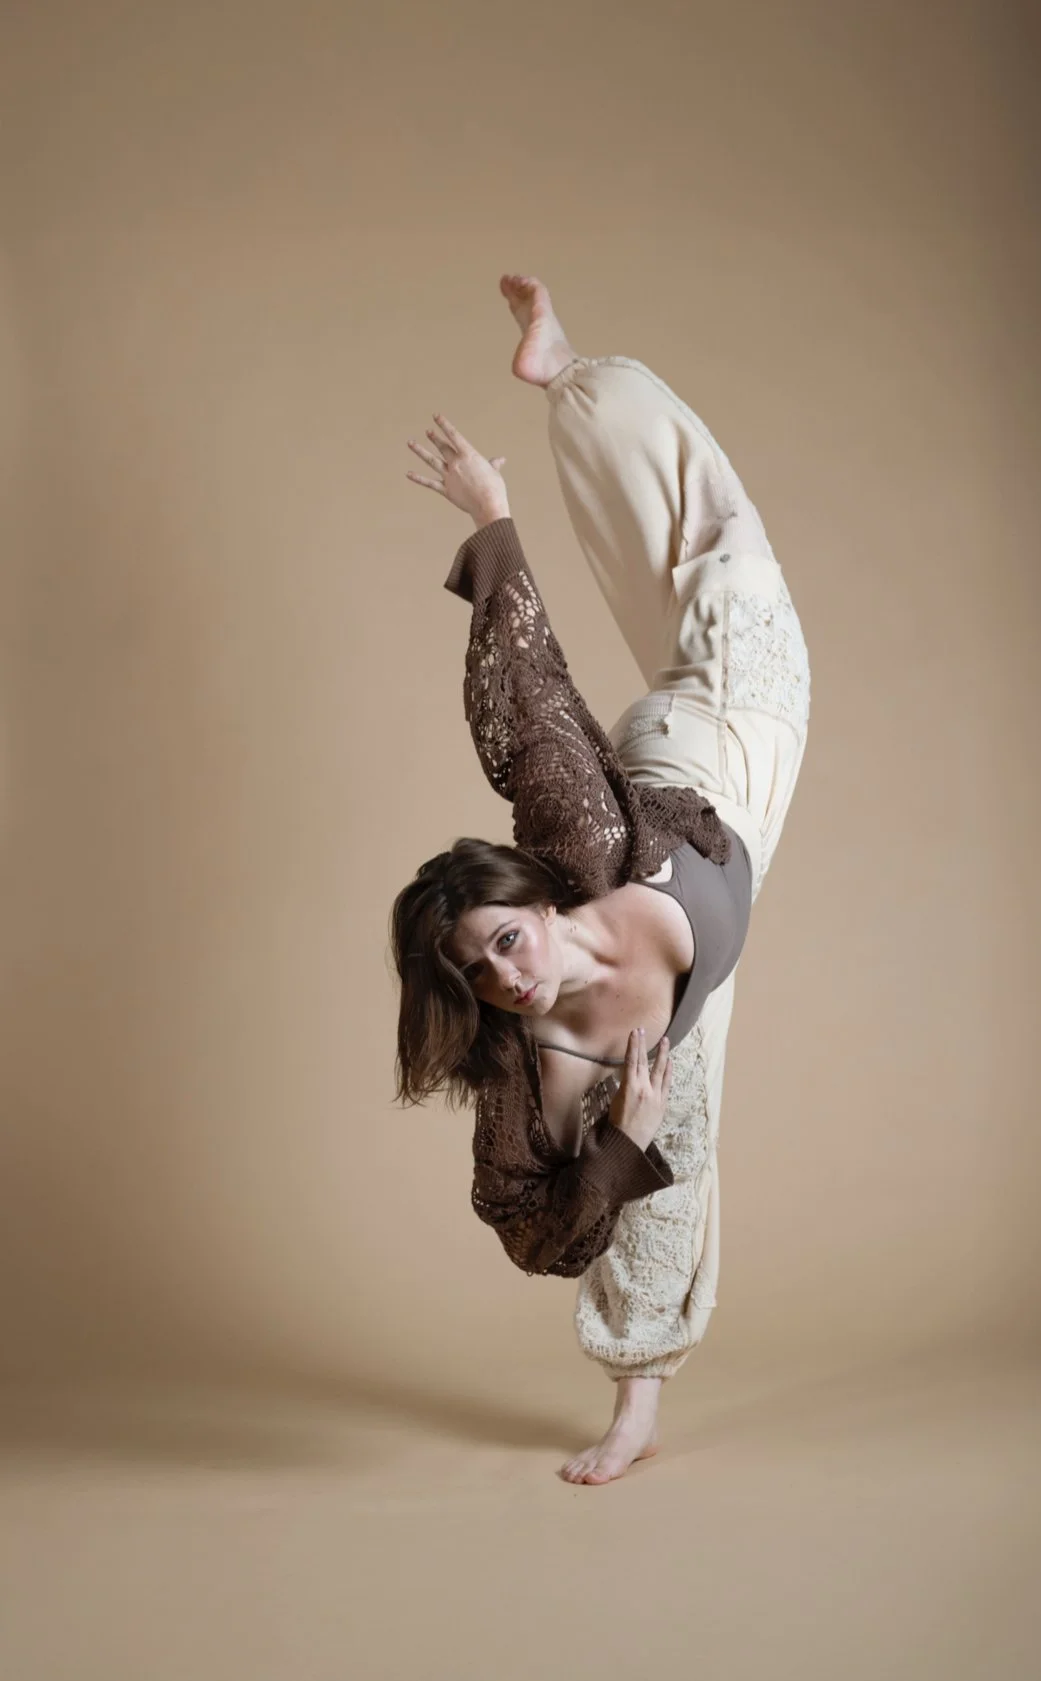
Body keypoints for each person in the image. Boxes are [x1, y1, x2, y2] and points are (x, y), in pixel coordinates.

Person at [392, 275, 810, 1484]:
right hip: (687, 981)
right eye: (478, 973)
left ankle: (568, 370)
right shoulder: (550, 1076)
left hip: (701, 758)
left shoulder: (572, 849)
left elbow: (528, 713)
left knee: (725, 560)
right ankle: (638, 1406)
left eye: (501, 942)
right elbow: (539, 1230)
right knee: (678, 1172)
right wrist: (619, 1150)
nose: (503, 979)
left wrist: (494, 516)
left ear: (531, 907)